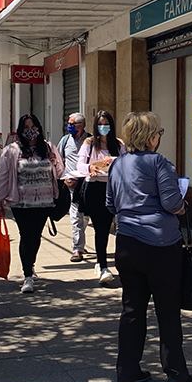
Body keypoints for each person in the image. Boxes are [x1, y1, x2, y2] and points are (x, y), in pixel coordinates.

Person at [107, 111, 192, 382]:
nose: (160, 137)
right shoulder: (159, 162)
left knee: (132, 309)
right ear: (151, 137)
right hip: (160, 244)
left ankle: (126, 370)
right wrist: (182, 207)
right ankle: (175, 373)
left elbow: (111, 204)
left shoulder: (117, 164)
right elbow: (171, 202)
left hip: (127, 242)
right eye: (159, 132)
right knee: (167, 310)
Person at [0, 114, 65, 294]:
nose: (30, 132)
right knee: (26, 236)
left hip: (44, 201)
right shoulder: (11, 150)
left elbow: (60, 171)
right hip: (21, 203)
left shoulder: (48, 148)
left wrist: (55, 164)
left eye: (33, 127)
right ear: (20, 130)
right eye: (26, 128)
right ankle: (27, 276)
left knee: (36, 236)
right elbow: (2, 177)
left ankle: (30, 264)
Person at [77, 110, 124, 285]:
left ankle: (119, 263)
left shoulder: (119, 145)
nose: (104, 127)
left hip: (114, 187)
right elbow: (80, 165)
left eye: (107, 124)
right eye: (100, 124)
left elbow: (126, 163)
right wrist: (90, 168)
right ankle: (102, 264)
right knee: (101, 228)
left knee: (121, 227)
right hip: (95, 188)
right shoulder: (89, 143)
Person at [57, 112, 90, 262]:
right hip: (70, 185)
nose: (69, 126)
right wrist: (64, 178)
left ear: (81, 125)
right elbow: (57, 161)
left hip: (87, 184)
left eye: (73, 124)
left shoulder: (90, 141)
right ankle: (77, 248)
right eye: (68, 123)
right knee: (76, 217)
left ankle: (80, 242)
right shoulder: (65, 140)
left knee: (85, 217)